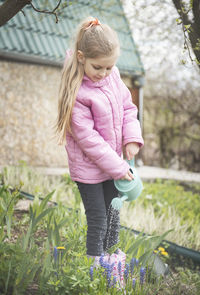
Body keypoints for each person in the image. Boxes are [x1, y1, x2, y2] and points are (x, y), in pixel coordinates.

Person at [56, 16, 144, 260]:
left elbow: (128, 108)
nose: (104, 73)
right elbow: (89, 141)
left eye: (109, 67)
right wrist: (118, 168)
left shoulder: (112, 77)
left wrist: (131, 138)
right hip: (89, 171)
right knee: (99, 219)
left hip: (113, 166)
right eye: (98, 67)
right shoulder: (77, 93)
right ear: (81, 57)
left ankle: (112, 258)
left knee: (114, 214)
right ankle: (94, 265)